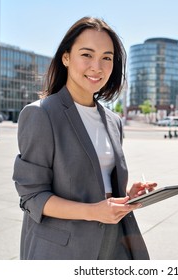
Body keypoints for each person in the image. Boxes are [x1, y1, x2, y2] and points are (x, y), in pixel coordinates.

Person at [12, 17, 157, 260]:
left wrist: (126, 196)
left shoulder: (113, 121)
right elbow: (32, 197)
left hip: (114, 244)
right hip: (63, 251)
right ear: (66, 57)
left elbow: (96, 182)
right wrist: (94, 212)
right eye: (87, 55)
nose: (97, 67)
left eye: (107, 58)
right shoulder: (41, 114)